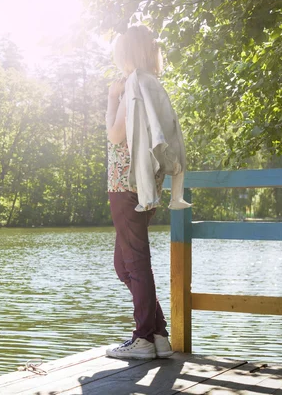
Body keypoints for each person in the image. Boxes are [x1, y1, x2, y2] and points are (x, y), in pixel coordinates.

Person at [105, 25, 176, 360]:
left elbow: (115, 135)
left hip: (125, 185)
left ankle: (143, 339)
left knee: (134, 263)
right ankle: (158, 334)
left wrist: (111, 99)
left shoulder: (132, 85)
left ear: (127, 53)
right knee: (126, 265)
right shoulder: (153, 85)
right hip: (148, 186)